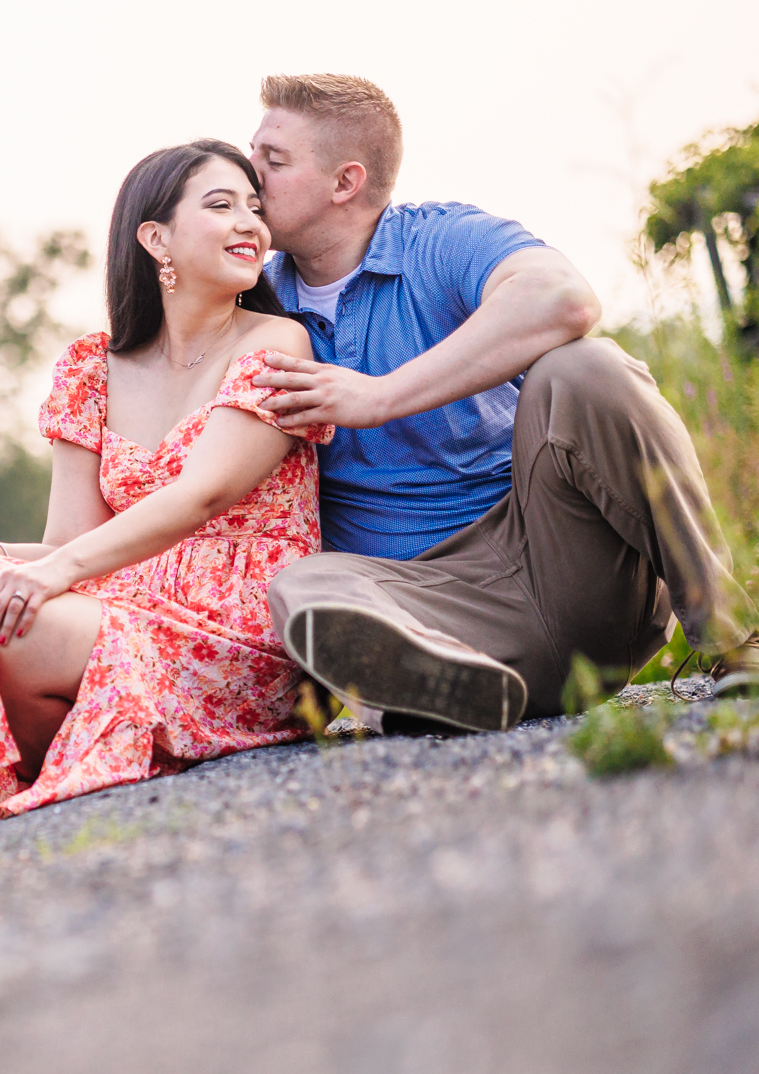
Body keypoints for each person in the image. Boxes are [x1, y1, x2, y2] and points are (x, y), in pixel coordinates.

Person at [0, 141, 333, 826]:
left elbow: (203, 495)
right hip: (117, 613)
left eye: (255, 208)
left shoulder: (276, 345)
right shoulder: (92, 369)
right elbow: (71, 541)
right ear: (154, 238)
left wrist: (45, 576)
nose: (251, 224)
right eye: (221, 205)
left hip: (234, 640)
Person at [247, 73, 757, 732]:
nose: (248, 172)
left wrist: (378, 397)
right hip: (426, 605)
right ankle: (448, 684)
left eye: (272, 160)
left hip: (564, 568)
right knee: (303, 588)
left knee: (585, 368)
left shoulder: (440, 240)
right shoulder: (250, 296)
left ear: (344, 183)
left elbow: (563, 299)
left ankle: (733, 636)